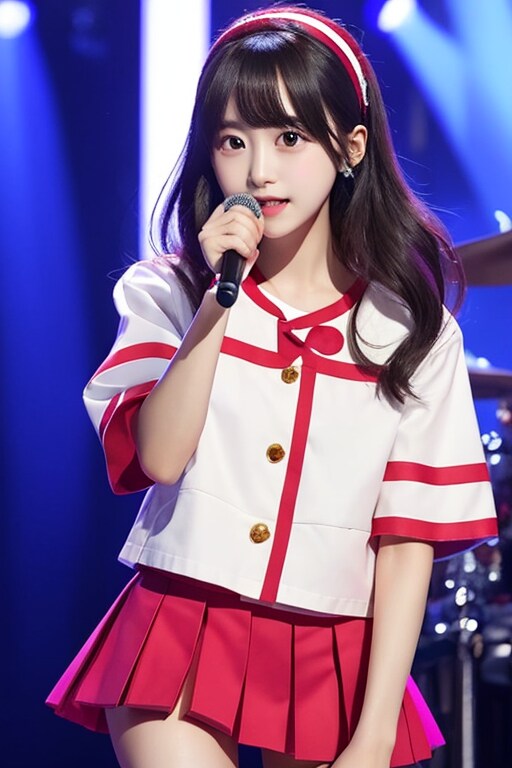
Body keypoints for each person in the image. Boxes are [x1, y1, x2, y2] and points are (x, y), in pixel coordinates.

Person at [47, 6, 498, 768]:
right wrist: (216, 307)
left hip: (335, 652)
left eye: (289, 137)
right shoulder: (166, 293)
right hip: (182, 623)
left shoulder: (410, 330)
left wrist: (373, 735)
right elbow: (159, 456)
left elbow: (406, 542)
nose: (259, 171)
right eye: (234, 141)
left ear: (350, 146)